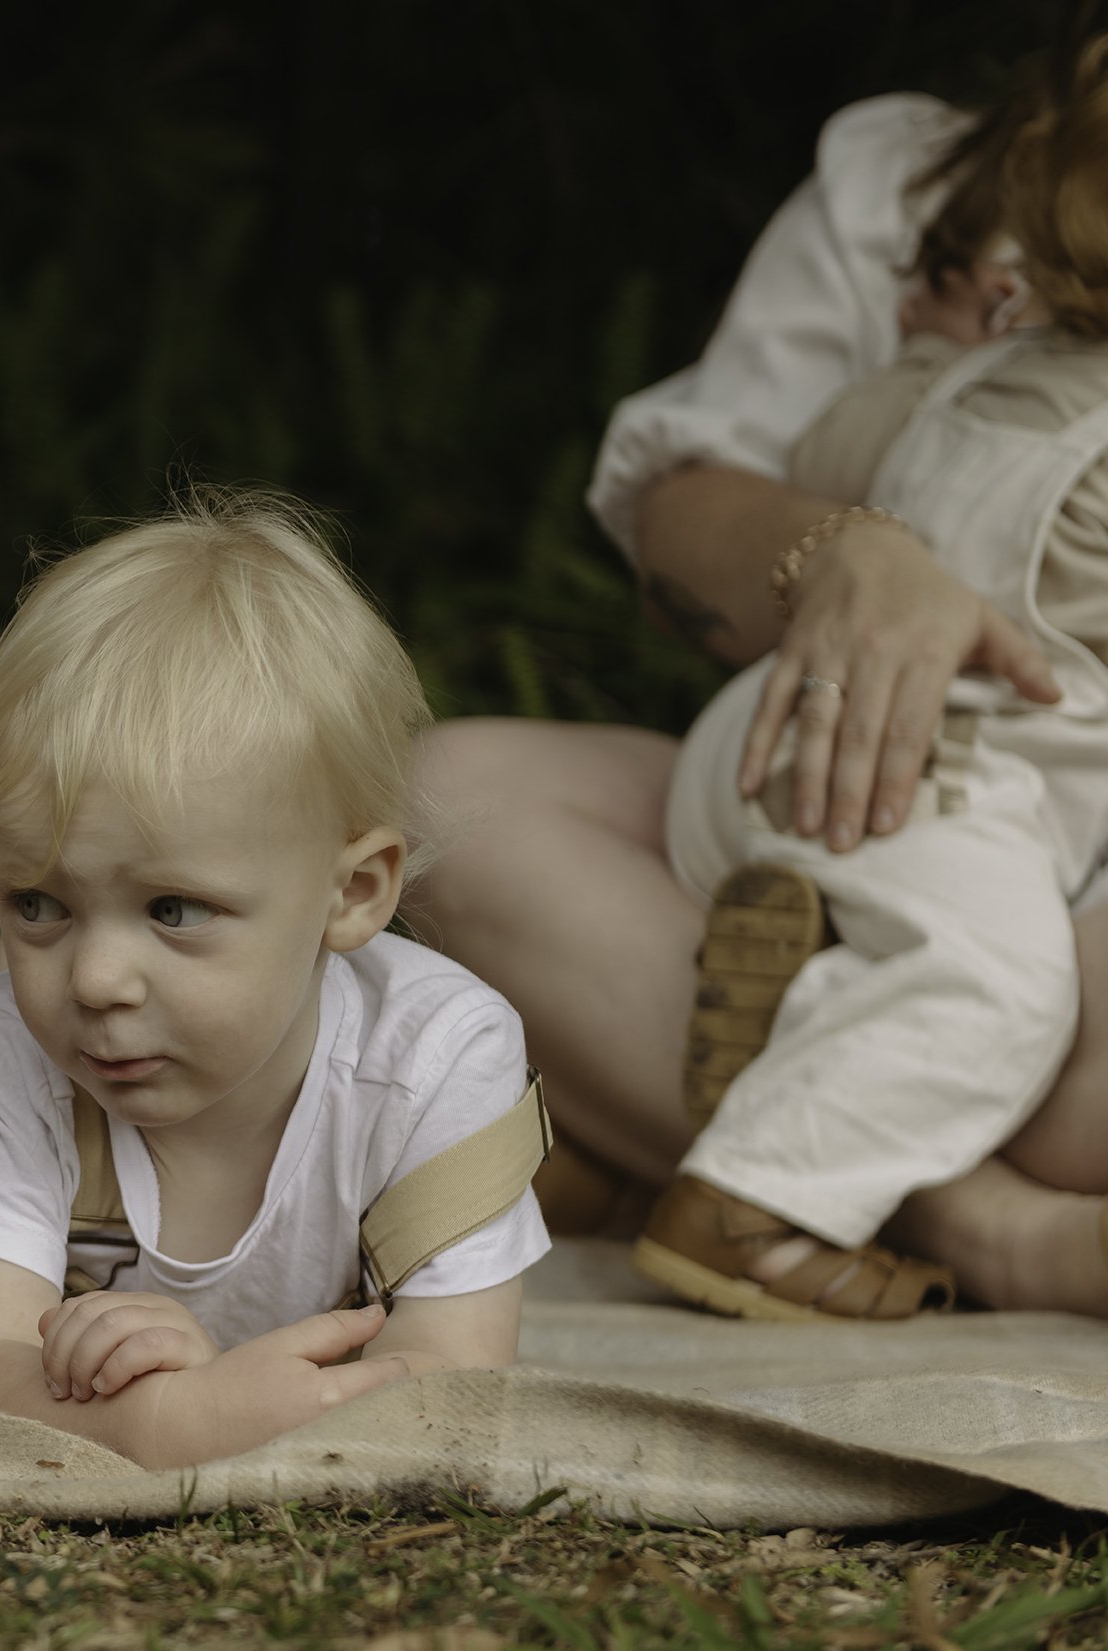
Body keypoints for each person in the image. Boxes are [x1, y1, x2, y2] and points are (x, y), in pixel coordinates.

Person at [412, 49, 1108, 1321]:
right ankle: (866, 1212)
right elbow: (691, 495)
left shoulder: (953, 366)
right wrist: (840, 550)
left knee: (991, 975)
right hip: (918, 781)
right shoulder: (912, 185)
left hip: (849, 793)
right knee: (994, 982)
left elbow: (836, 434)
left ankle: (645, 1135)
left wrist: (915, 389)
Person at [0, 497, 551, 1469]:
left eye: (171, 910)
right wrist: (155, 1422)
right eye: (36, 901)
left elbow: (450, 1385)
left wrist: (219, 1394)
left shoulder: (440, 1052)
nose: (98, 980)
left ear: (354, 890)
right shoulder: (9, 1048)